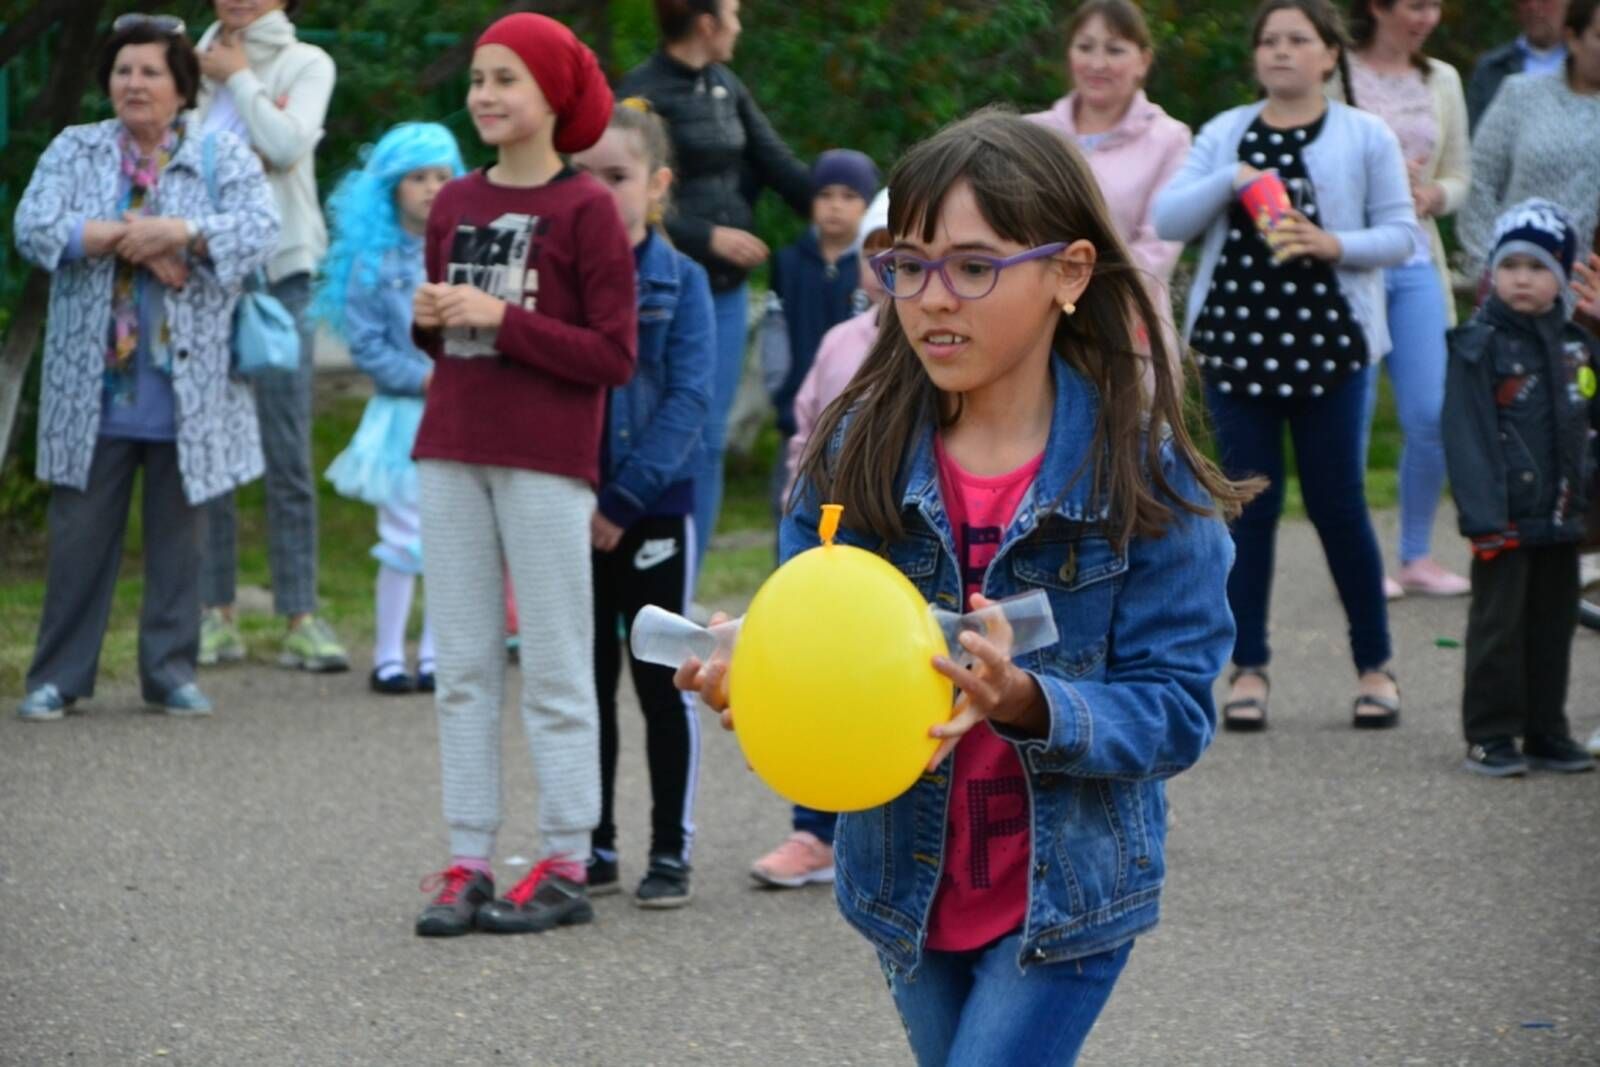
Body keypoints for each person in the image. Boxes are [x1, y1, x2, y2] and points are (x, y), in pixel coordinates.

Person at [678, 108, 1245, 1065]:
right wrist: (760, 671)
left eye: (975, 267)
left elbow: (1179, 708)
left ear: (1068, 273)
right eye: (907, 265)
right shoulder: (850, 456)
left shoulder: (1145, 480)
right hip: (904, 884)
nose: (934, 298)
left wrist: (1029, 702)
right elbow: (817, 637)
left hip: (1065, 899)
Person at [408, 14, 635, 938]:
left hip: (547, 460)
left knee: (553, 662)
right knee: (459, 663)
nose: (486, 96)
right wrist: (432, 316)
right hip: (450, 446)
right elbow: (445, 340)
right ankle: (467, 858)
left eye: (506, 79)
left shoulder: (586, 211)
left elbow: (614, 355)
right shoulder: (455, 201)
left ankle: (566, 862)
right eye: (478, 80)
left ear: (552, 96)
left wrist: (501, 319)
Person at [1154, 0, 1418, 732]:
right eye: (1270, 40)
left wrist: (1331, 244)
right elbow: (1170, 219)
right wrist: (1234, 176)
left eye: (1299, 39)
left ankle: (1375, 666)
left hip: (1333, 351)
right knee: (1249, 513)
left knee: (1340, 509)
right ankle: (1249, 669)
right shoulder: (1225, 132)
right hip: (1236, 351)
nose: (1281, 51)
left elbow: (1401, 234)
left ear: (1331, 53)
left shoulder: (1365, 134)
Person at [12, 16, 279, 721]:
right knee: (77, 543)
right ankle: (58, 677)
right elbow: (33, 225)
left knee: (180, 545)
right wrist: (129, 237)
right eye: (123, 70)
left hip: (191, 392)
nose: (133, 83)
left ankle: (169, 673)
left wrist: (185, 233)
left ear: (183, 86)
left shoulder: (223, 157)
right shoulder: (76, 148)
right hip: (90, 388)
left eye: (150, 71)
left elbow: (259, 231)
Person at [570, 98, 715, 908]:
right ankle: (591, 842)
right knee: (582, 682)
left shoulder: (682, 280)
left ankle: (669, 849)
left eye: (616, 176)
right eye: (583, 174)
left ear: (656, 185)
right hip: (569, 509)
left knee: (659, 681)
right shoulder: (561, 279)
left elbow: (689, 400)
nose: (597, 190)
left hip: (653, 510)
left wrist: (622, 500)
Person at [617, 0, 813, 582]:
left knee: (706, 440)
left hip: (722, 296)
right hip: (652, 291)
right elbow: (619, 196)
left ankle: (680, 582)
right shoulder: (639, 94)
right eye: (733, 13)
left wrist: (852, 213)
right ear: (706, 24)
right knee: (645, 435)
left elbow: (778, 165)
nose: (740, 24)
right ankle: (625, 574)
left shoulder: (726, 85)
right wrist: (709, 236)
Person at [192, 0, 347, 672]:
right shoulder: (188, 60)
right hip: (203, 273)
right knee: (211, 450)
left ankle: (301, 615)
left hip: (283, 273)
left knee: (286, 446)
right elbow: (185, 159)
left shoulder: (305, 62)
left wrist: (239, 80)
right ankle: (212, 612)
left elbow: (286, 146)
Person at [747, 188, 891, 891]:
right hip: (828, 540)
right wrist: (795, 497)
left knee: (883, 682)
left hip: (893, 547)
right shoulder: (841, 342)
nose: (888, 264)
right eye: (876, 250)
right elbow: (808, 424)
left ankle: (880, 826)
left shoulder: (944, 346)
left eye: (904, 249)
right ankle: (813, 828)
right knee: (813, 677)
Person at [1441, 199, 1598, 776]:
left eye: (1537, 267)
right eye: (1510, 266)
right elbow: (1467, 437)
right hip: (1503, 521)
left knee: (1553, 626)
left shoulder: (1576, 343)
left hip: (1561, 516)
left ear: (1560, 275)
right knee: (1497, 628)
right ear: (1492, 274)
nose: (1523, 278)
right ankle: (1491, 733)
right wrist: (1483, 520)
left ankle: (1546, 729)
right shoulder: (1478, 345)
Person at [315, 123, 465, 695]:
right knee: (403, 536)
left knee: (447, 535)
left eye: (443, 176)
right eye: (417, 177)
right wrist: (421, 377)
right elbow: (368, 344)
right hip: (403, 416)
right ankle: (386, 655)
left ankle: (432, 654)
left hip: (456, 416)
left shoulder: (463, 252)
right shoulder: (372, 262)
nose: (431, 188)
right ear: (390, 187)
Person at [1338, 0, 1472, 598]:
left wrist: (1432, 197)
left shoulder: (1441, 79)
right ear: (1378, 6)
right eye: (1415, 5)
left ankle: (1417, 556)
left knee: (1431, 413)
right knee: (1353, 419)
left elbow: (1460, 176)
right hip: (1354, 266)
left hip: (1418, 263)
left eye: (1434, 7)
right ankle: (1360, 561)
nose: (1427, 18)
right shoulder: (1334, 69)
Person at [1026, 0, 1191, 318]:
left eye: (1114, 50)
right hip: (1036, 317)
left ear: (1143, 61)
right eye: (1085, 47)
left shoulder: (1170, 139)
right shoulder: (1033, 132)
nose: (1097, 63)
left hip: (1124, 324)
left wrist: (1081, 286)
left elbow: (1159, 247)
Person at [766, 149, 878, 509]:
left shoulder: (870, 272)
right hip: (796, 420)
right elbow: (774, 337)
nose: (835, 206)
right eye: (825, 195)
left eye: (848, 196)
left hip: (861, 417)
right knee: (790, 506)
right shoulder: (787, 263)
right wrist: (781, 394)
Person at [1460, 0, 1600, 284]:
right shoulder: (1520, 95)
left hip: (1589, 301)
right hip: (1514, 289)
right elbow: (1478, 184)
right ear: (1573, 38)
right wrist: (1495, 267)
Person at [1466, 0, 1571, 130]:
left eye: (1545, 1)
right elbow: (1473, 138)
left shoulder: (1588, 67)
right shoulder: (1491, 67)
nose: (1532, 6)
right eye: (1523, 1)